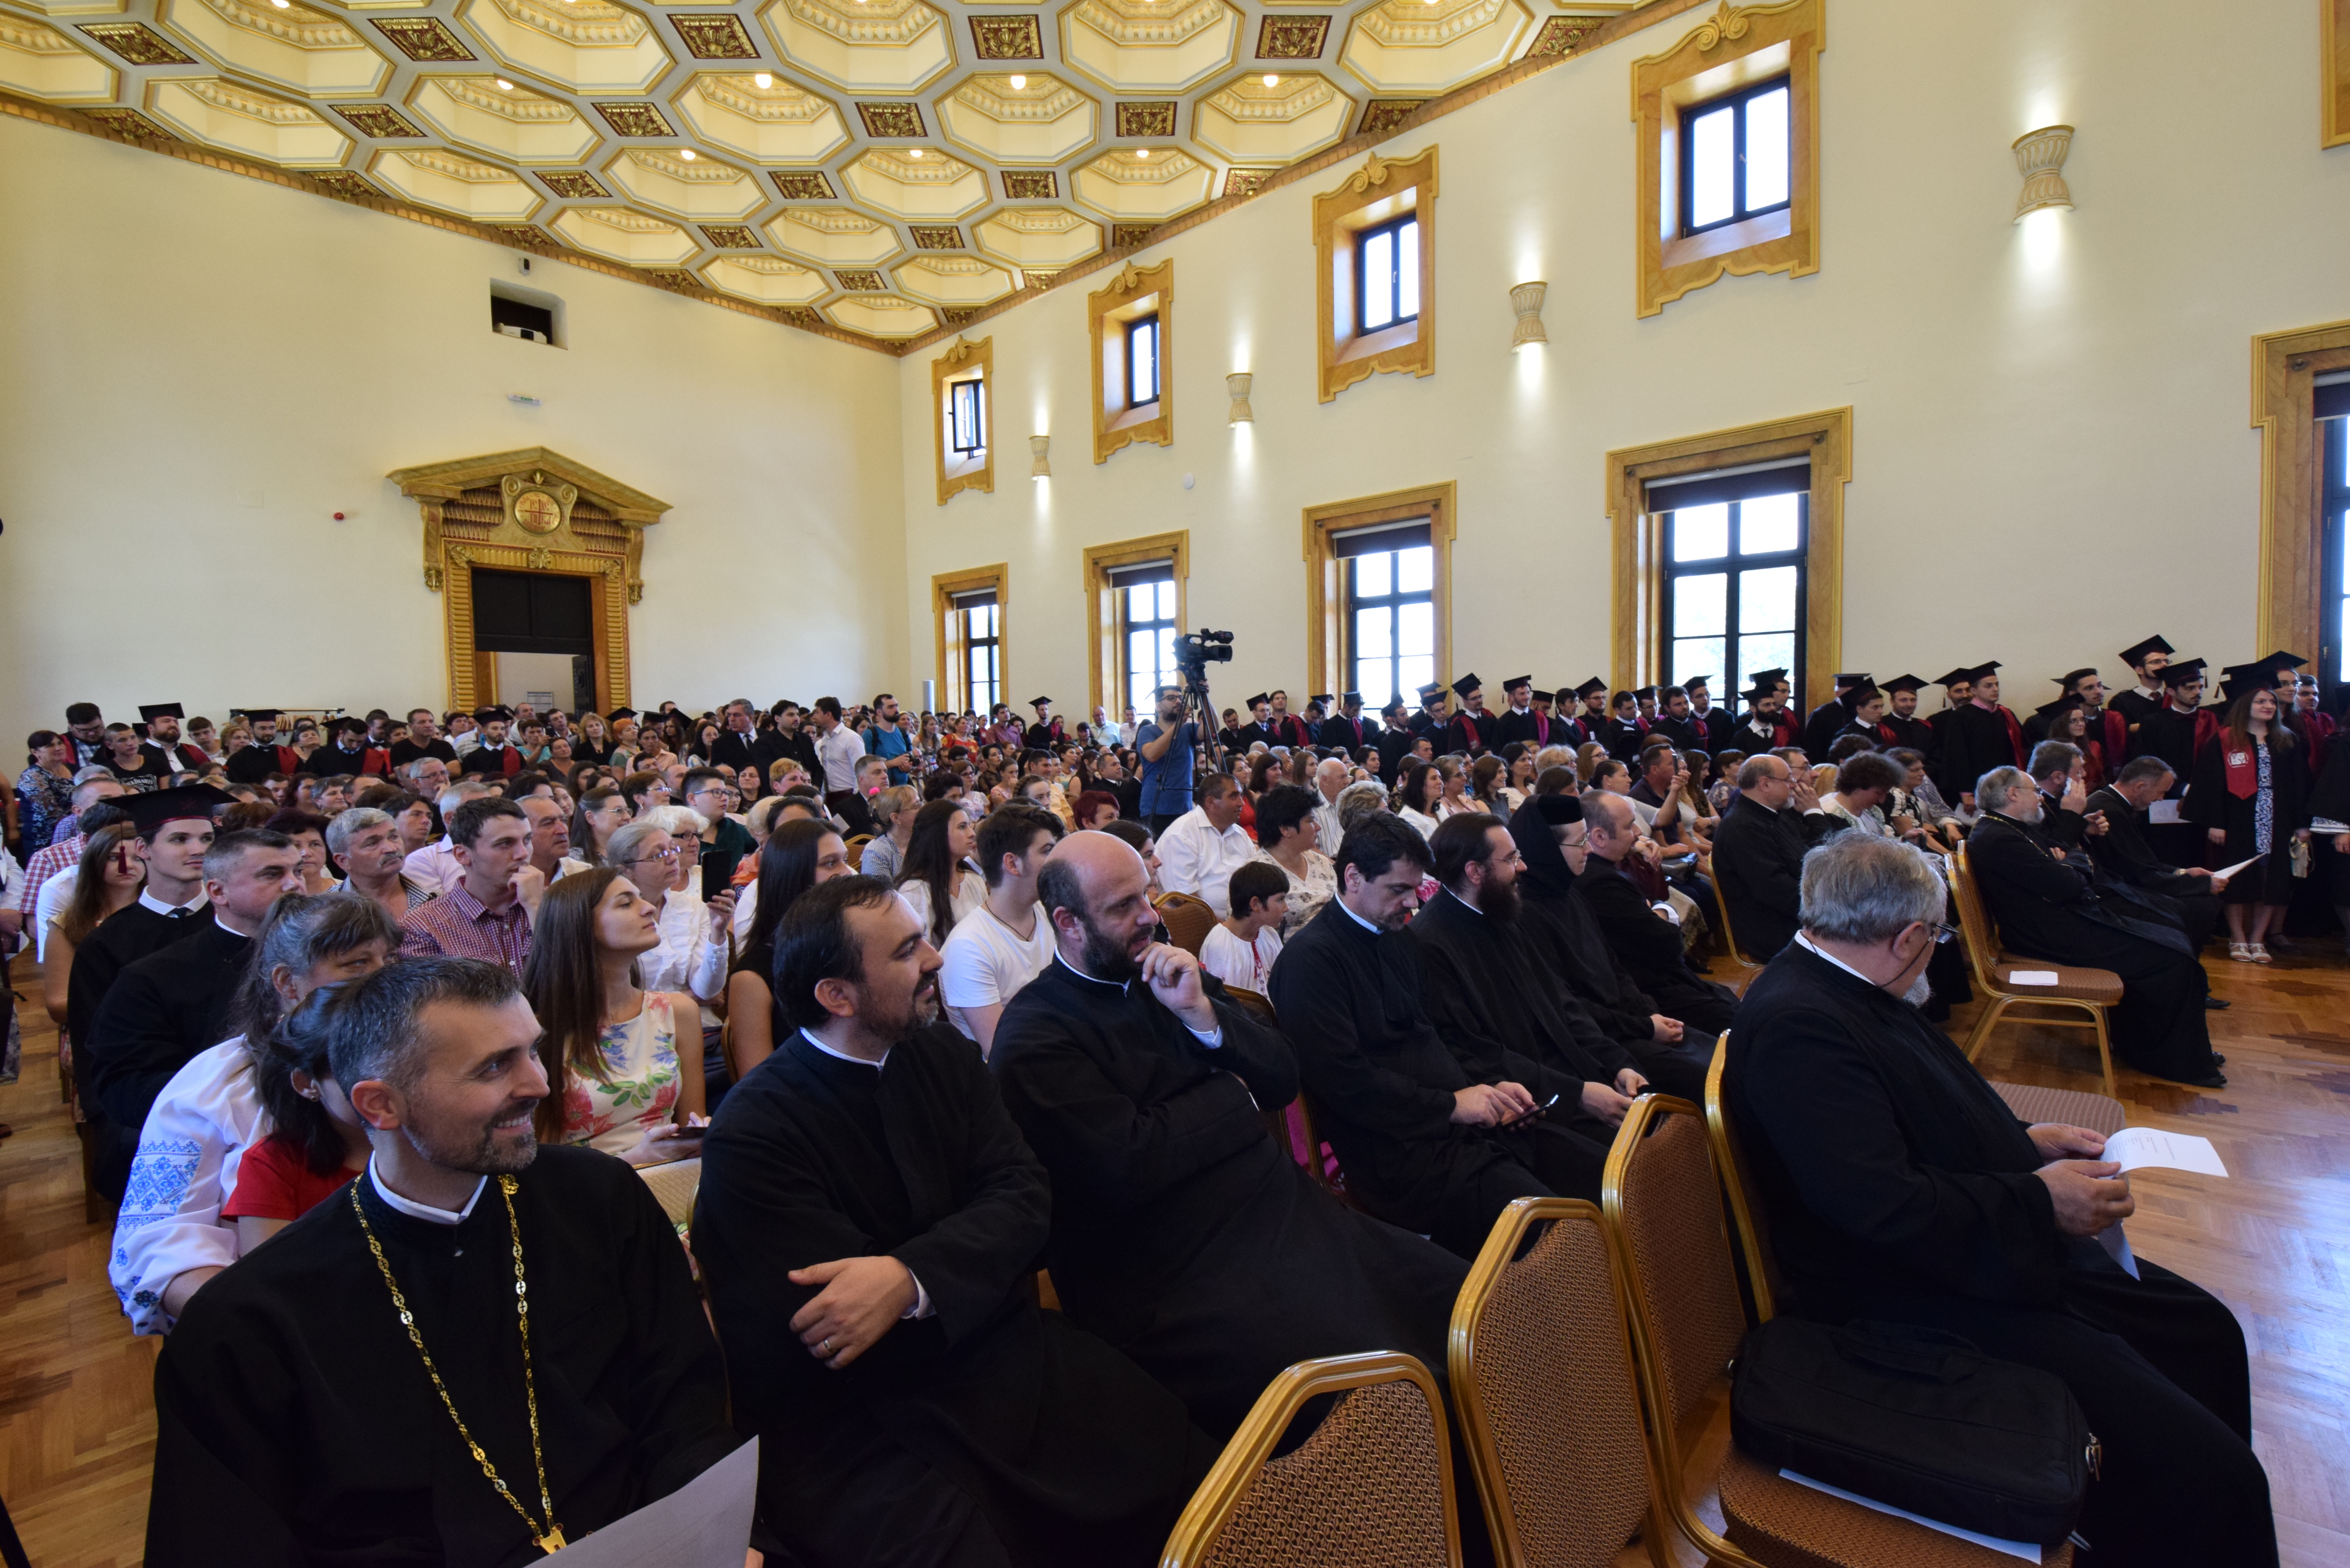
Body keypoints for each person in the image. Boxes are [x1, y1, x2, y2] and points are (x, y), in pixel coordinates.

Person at [1725, 832, 2275, 1568]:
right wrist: (2039, 1203)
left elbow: (1919, 1110)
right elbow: (1878, 1208)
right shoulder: (1801, 1022)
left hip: (1972, 1240)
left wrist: (2025, 1139)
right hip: (1905, 1296)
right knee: (2214, 1474)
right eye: (1940, 936)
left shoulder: (1848, 982)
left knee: (2203, 1331)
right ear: (1911, 937)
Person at [146, 958, 743, 1564]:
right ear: (380, 1105)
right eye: (493, 1067)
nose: (538, 1083)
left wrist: (711, 1535)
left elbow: (681, 1404)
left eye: (531, 1051)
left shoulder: (601, 1199)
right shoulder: (251, 1321)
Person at [697, 876, 1214, 1568]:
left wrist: (911, 1277)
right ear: (838, 995)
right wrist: (968, 1264)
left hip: (1000, 1355)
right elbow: (839, 1325)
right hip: (865, 1420)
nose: (937, 960)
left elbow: (1026, 1194)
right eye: (909, 950)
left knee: (1189, 1470)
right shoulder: (754, 1134)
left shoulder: (940, 1054)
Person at [988, 829, 1467, 1437]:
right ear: (1068, 922)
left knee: (1466, 1308)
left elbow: (1277, 1078)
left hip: (1289, 1218)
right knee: (1383, 1392)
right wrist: (1225, 1092)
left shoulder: (1164, 971)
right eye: (1121, 907)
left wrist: (1203, 1017)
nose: (1147, 918)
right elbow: (1129, 1167)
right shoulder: (1034, 1038)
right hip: (1175, 1277)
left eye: (1147, 896)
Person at [1267, 812, 1613, 1256]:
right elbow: (1347, 1084)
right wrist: (1452, 1105)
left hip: (1461, 1122)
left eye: (1416, 888)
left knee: (1604, 1175)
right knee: (1560, 1233)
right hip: (1399, 1156)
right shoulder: (1309, 963)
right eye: (1399, 889)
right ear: (1353, 877)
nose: (1413, 903)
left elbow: (1446, 1038)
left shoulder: (1398, 940)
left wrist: (1489, 1088)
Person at [109, 892, 397, 1334]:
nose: (383, 978)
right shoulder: (216, 1086)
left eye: (388, 959)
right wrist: (267, 1325)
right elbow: (151, 1240)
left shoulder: (411, 1055)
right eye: (357, 964)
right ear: (287, 983)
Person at [82, 829, 305, 1202]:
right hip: (209, 1141)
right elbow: (126, 1086)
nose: (294, 884)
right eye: (272, 874)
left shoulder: (327, 956)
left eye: (296, 871)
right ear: (218, 892)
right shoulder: (152, 977)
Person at [1410, 811, 1685, 1110]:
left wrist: (1616, 1063)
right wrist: (1578, 1093)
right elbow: (1475, 1050)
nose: (1523, 867)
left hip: (1576, 1071)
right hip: (1533, 1099)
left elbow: (1563, 1004)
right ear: (1476, 872)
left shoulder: (1502, 913)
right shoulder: (1429, 944)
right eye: (1512, 859)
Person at [1969, 767, 2224, 1086]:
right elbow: (2067, 882)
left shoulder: (2008, 828)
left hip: (2055, 922)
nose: (2040, 799)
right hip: (2046, 933)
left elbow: (2064, 857)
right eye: (2035, 791)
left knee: (2169, 936)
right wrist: (2072, 859)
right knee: (2170, 959)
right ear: (2012, 794)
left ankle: (2153, 1047)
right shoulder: (1998, 837)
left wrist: (2072, 853)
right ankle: (2171, 1058)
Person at [521, 869, 707, 1165]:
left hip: (674, 1180)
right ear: (580, 925)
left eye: (641, 899)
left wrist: (700, 1136)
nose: (648, 908)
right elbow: (541, 1165)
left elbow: (692, 1122)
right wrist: (635, 1159)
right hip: (591, 1193)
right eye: (626, 903)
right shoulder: (538, 1032)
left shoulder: (677, 1011)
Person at [67, 785, 232, 1060]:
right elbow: (93, 1039)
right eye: (179, 839)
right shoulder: (105, 943)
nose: (198, 850)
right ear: (143, 848)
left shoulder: (237, 922)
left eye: (207, 838)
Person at [1574, 791, 1737, 1032]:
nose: (1639, 833)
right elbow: (1668, 942)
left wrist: (1655, 905)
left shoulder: (1608, 868)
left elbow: (1653, 899)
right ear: (1599, 837)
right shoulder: (1601, 884)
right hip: (1651, 993)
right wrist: (1662, 912)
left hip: (1662, 980)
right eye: (1630, 826)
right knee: (1740, 1024)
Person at [2188, 673, 2311, 963]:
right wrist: (2216, 821)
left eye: (2271, 701)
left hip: (2277, 817)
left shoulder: (2287, 739)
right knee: (2239, 876)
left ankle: (2258, 939)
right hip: (2239, 817)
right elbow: (2211, 783)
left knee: (2273, 879)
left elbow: (2301, 784)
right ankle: (2238, 937)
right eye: (2260, 701)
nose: (2268, 706)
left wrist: (2302, 823)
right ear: (2246, 705)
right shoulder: (2226, 740)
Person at [725, 819, 853, 1077]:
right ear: (795, 875)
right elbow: (758, 1086)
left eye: (845, 859)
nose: (848, 872)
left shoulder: (852, 945)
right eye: (831, 863)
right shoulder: (754, 976)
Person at [938, 804, 1063, 1054]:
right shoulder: (968, 947)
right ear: (1013, 864)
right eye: (1048, 851)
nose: (1059, 861)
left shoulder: (1049, 913)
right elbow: (1002, 1050)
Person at [2089, 756, 2226, 952]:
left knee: (2201, 903)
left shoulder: (2112, 804)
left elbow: (2142, 863)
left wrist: (2183, 872)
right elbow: (2138, 873)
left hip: (2125, 883)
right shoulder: (2110, 811)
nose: (2161, 799)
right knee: (2198, 907)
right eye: (2161, 792)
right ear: (2140, 786)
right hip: (2114, 891)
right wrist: (2201, 884)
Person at [398, 796, 543, 972]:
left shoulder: (557, 904)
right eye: (505, 844)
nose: (523, 854)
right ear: (462, 855)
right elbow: (435, 998)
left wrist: (537, 909)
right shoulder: (424, 926)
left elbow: (577, 981)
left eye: (527, 840)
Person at [40, 822, 143, 1030]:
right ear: (94, 861)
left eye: (139, 858)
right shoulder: (66, 925)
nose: (128, 865)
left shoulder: (169, 915)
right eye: (114, 858)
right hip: (98, 1030)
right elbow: (58, 1005)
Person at [1155, 773, 1254, 917]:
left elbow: (1257, 878)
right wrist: (1226, 928)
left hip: (1246, 919)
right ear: (1211, 802)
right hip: (1200, 926)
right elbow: (1183, 898)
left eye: (1241, 796)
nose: (1242, 803)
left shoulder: (1240, 834)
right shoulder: (1182, 834)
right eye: (1234, 796)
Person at [1248, 782, 1337, 937]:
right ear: (1285, 829)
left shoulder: (1320, 862)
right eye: (1310, 821)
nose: (1318, 827)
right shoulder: (1256, 876)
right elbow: (1253, 937)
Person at [895, 800, 986, 948]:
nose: (972, 834)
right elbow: (918, 952)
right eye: (962, 827)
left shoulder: (974, 880)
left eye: (970, 826)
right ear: (938, 834)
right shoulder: (914, 891)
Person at [1932, 663, 2024, 809]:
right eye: (1988, 686)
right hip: (1977, 789)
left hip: (2007, 786)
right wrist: (1966, 793)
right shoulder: (1961, 717)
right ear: (1974, 690)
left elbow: (2021, 749)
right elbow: (1957, 757)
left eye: (1996, 685)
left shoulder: (2005, 714)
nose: (1995, 689)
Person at [1200, 860, 1287, 990]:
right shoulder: (1221, 945)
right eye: (1280, 900)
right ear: (1255, 904)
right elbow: (1225, 1003)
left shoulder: (1269, 935)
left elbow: (1283, 984)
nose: (1286, 908)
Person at [856, 783, 920, 884]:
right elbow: (881, 897)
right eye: (916, 806)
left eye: (921, 804)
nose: (923, 810)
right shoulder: (876, 852)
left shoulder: (924, 839)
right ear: (896, 818)